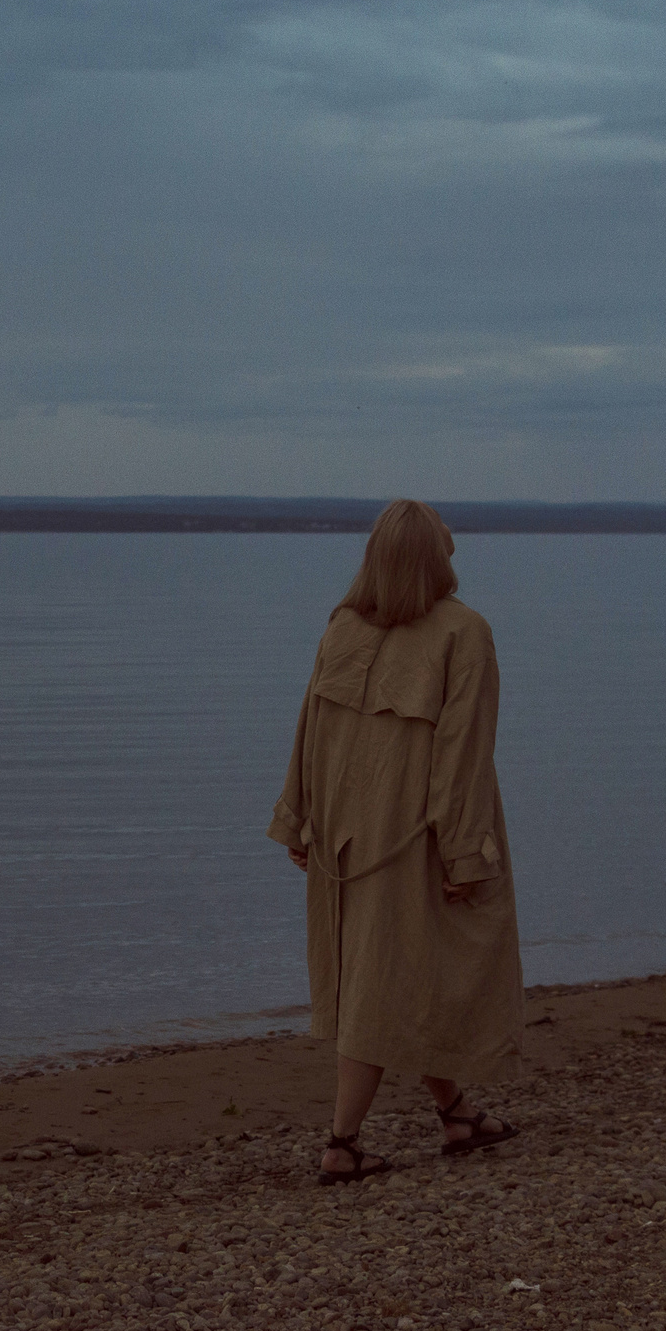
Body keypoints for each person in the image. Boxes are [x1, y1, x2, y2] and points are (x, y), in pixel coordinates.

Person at [267, 499, 523, 1183]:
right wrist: (465, 854)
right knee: (381, 983)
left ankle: (456, 1113)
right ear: (433, 556)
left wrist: (299, 819)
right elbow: (463, 755)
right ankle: (342, 1143)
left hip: (347, 837)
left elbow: (307, 733)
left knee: (402, 972)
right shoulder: (463, 632)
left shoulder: (344, 625)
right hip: (413, 840)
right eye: (444, 537)